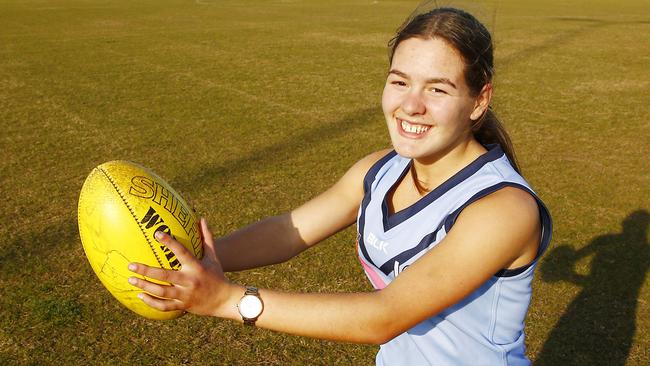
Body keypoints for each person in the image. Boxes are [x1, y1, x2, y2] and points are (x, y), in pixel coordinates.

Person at [128, 6, 552, 365]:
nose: (410, 105)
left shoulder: (503, 209)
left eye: (437, 89)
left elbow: (382, 317)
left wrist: (225, 299)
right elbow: (288, 233)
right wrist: (203, 258)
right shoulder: (379, 170)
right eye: (400, 81)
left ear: (479, 100)